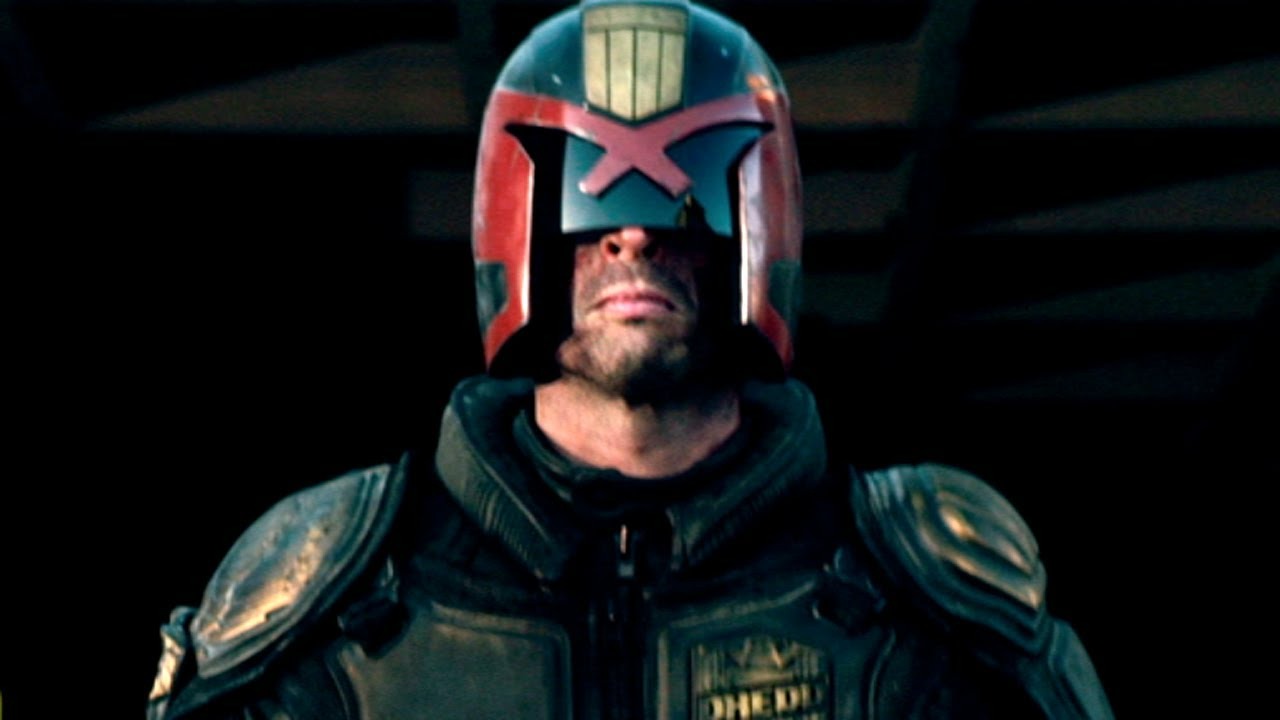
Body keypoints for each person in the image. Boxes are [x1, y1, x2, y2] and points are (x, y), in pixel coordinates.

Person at [146, 1, 1114, 717]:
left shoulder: (919, 600)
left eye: (682, 198)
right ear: (522, 226)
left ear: (751, 232)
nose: (634, 237)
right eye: (591, 198)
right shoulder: (341, 605)